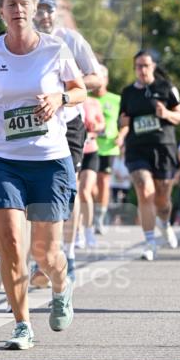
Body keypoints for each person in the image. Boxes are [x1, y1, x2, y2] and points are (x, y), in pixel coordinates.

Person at [0, 0, 86, 351]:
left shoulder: (55, 48)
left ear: (33, 9)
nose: (18, 9)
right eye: (11, 4)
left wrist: (59, 98)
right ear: (1, 11)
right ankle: (22, 325)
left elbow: (80, 89)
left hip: (49, 161)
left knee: (45, 253)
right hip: (5, 160)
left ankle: (61, 287)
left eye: (23, 3)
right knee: (12, 245)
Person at [31, 0, 102, 282]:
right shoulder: (22, 41)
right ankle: (40, 257)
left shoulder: (70, 40)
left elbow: (96, 77)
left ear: (56, 13)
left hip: (69, 123)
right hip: (35, 124)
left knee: (67, 189)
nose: (44, 16)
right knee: (36, 192)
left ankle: (68, 254)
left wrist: (65, 90)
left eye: (49, 10)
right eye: (39, 10)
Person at [119, 50, 180, 260]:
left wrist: (166, 114)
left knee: (163, 199)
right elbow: (124, 121)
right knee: (145, 190)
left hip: (164, 147)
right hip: (137, 149)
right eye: (138, 66)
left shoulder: (167, 88)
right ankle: (149, 242)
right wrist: (121, 130)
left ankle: (164, 223)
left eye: (146, 65)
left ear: (153, 67)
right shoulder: (128, 93)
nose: (142, 69)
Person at [93, 65, 123, 233]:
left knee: (104, 182)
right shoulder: (86, 98)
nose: (99, 81)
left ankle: (99, 218)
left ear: (106, 80)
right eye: (96, 77)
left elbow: (126, 122)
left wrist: (122, 135)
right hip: (90, 146)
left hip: (109, 147)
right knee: (90, 185)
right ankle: (91, 210)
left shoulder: (116, 99)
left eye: (102, 77)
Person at [78, 92, 106, 250]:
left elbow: (102, 125)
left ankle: (89, 229)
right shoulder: (67, 100)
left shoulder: (94, 102)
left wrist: (97, 126)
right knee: (74, 193)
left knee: (85, 191)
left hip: (91, 151)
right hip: (73, 152)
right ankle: (77, 232)